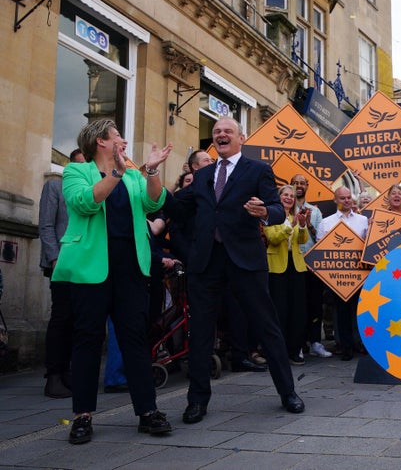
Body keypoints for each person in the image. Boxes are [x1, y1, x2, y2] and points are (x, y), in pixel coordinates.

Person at [164, 116, 304, 423]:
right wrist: (149, 177)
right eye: (216, 132)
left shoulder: (258, 170)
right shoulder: (202, 175)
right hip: (206, 262)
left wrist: (265, 211)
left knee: (266, 326)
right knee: (200, 331)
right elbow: (176, 207)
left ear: (241, 138)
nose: (221, 135)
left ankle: (288, 392)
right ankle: (196, 401)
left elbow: (279, 210)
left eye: (228, 131)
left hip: (245, 260)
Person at [53, 119, 172, 444]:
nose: (122, 140)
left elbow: (154, 202)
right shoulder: (77, 172)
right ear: (100, 141)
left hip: (130, 269)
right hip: (91, 268)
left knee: (135, 339)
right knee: (87, 338)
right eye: (117, 135)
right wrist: (116, 173)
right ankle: (82, 416)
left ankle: (147, 411)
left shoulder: (134, 175)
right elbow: (85, 203)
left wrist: (151, 171)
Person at [39, 148, 85, 398]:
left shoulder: (90, 188)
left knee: (77, 320)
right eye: (77, 165)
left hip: (84, 264)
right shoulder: (54, 187)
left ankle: (67, 372)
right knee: (61, 317)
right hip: (60, 263)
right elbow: (45, 225)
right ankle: (53, 375)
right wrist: (54, 257)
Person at [317, 186, 368, 360]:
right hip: (337, 276)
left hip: (359, 274)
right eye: (343, 198)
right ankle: (345, 347)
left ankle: (360, 344)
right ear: (335, 200)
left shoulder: (363, 220)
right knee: (341, 312)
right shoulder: (326, 222)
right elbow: (320, 249)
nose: (346, 201)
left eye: (348, 198)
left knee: (360, 311)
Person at [265, 184, 309, 365]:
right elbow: (273, 239)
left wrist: (303, 225)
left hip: (296, 266)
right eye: (286, 195)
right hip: (277, 267)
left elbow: (302, 240)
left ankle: (295, 349)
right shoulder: (270, 217)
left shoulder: (295, 216)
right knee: (279, 310)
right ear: (279, 197)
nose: (289, 198)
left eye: (292, 195)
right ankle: (279, 350)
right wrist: (290, 226)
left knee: (297, 310)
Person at [291, 174, 332, 359]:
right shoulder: (285, 208)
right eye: (295, 183)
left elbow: (320, 239)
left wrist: (308, 225)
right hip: (291, 264)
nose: (299, 186)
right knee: (296, 305)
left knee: (315, 304)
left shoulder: (315, 211)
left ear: (307, 186)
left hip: (311, 265)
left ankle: (315, 342)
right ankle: (297, 344)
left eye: (302, 183)